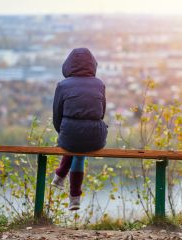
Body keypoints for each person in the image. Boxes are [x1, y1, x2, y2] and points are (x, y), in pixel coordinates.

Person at [51, 48, 108, 210]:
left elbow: (57, 115)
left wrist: (62, 132)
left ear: (68, 65)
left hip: (69, 135)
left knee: (74, 141)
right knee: (80, 151)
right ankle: (73, 195)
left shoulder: (62, 85)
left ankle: (62, 177)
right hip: (95, 136)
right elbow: (101, 113)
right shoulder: (99, 84)